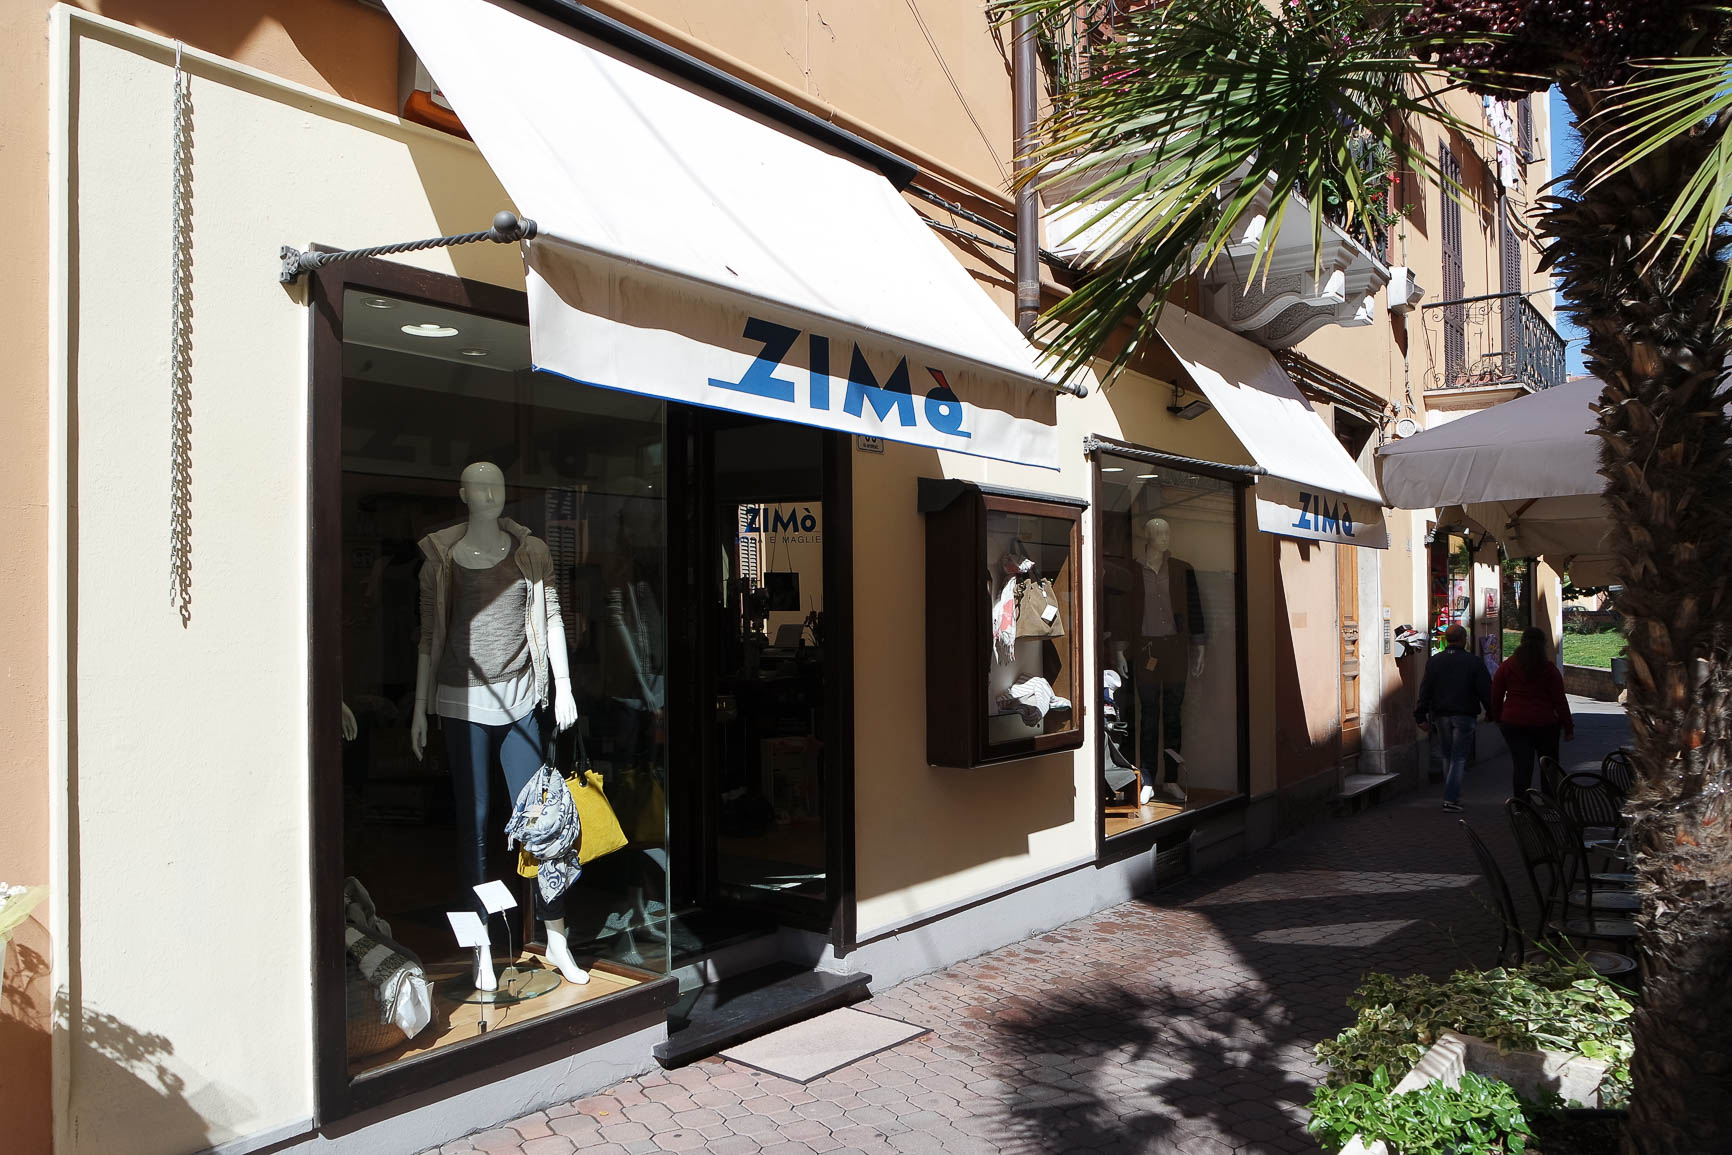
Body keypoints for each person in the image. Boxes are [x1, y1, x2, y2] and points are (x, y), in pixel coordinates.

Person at [1414, 624, 1492, 813]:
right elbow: (1485, 690)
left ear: (1447, 639)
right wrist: (1492, 711)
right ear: (1463, 639)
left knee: (1448, 754)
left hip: (1441, 715)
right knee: (1458, 757)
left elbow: (1425, 690)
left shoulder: (1434, 661)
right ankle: (1450, 798)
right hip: (1464, 714)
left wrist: (1420, 715)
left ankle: (1452, 795)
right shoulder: (1473, 662)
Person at [1490, 626, 1574, 797]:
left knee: (1521, 766)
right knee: (1548, 765)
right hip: (1544, 722)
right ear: (1543, 644)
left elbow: (1496, 694)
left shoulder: (1508, 666)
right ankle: (1550, 802)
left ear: (1522, 642)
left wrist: (1497, 717)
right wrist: (1568, 727)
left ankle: (1521, 805)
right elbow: (1559, 700)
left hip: (1513, 721)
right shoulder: (1548, 669)